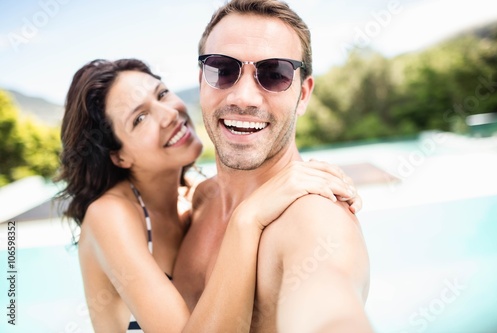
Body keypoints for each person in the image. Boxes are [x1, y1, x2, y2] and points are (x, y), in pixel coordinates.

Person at [56, 58, 361, 332]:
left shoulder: (197, 199)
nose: (168, 115)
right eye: (140, 118)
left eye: (162, 94)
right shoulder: (110, 215)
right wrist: (248, 218)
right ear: (119, 156)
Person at [172, 1, 374, 332]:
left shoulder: (313, 218)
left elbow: (329, 306)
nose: (244, 98)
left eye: (274, 74)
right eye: (222, 69)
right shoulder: (200, 200)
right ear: (201, 81)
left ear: (304, 94)